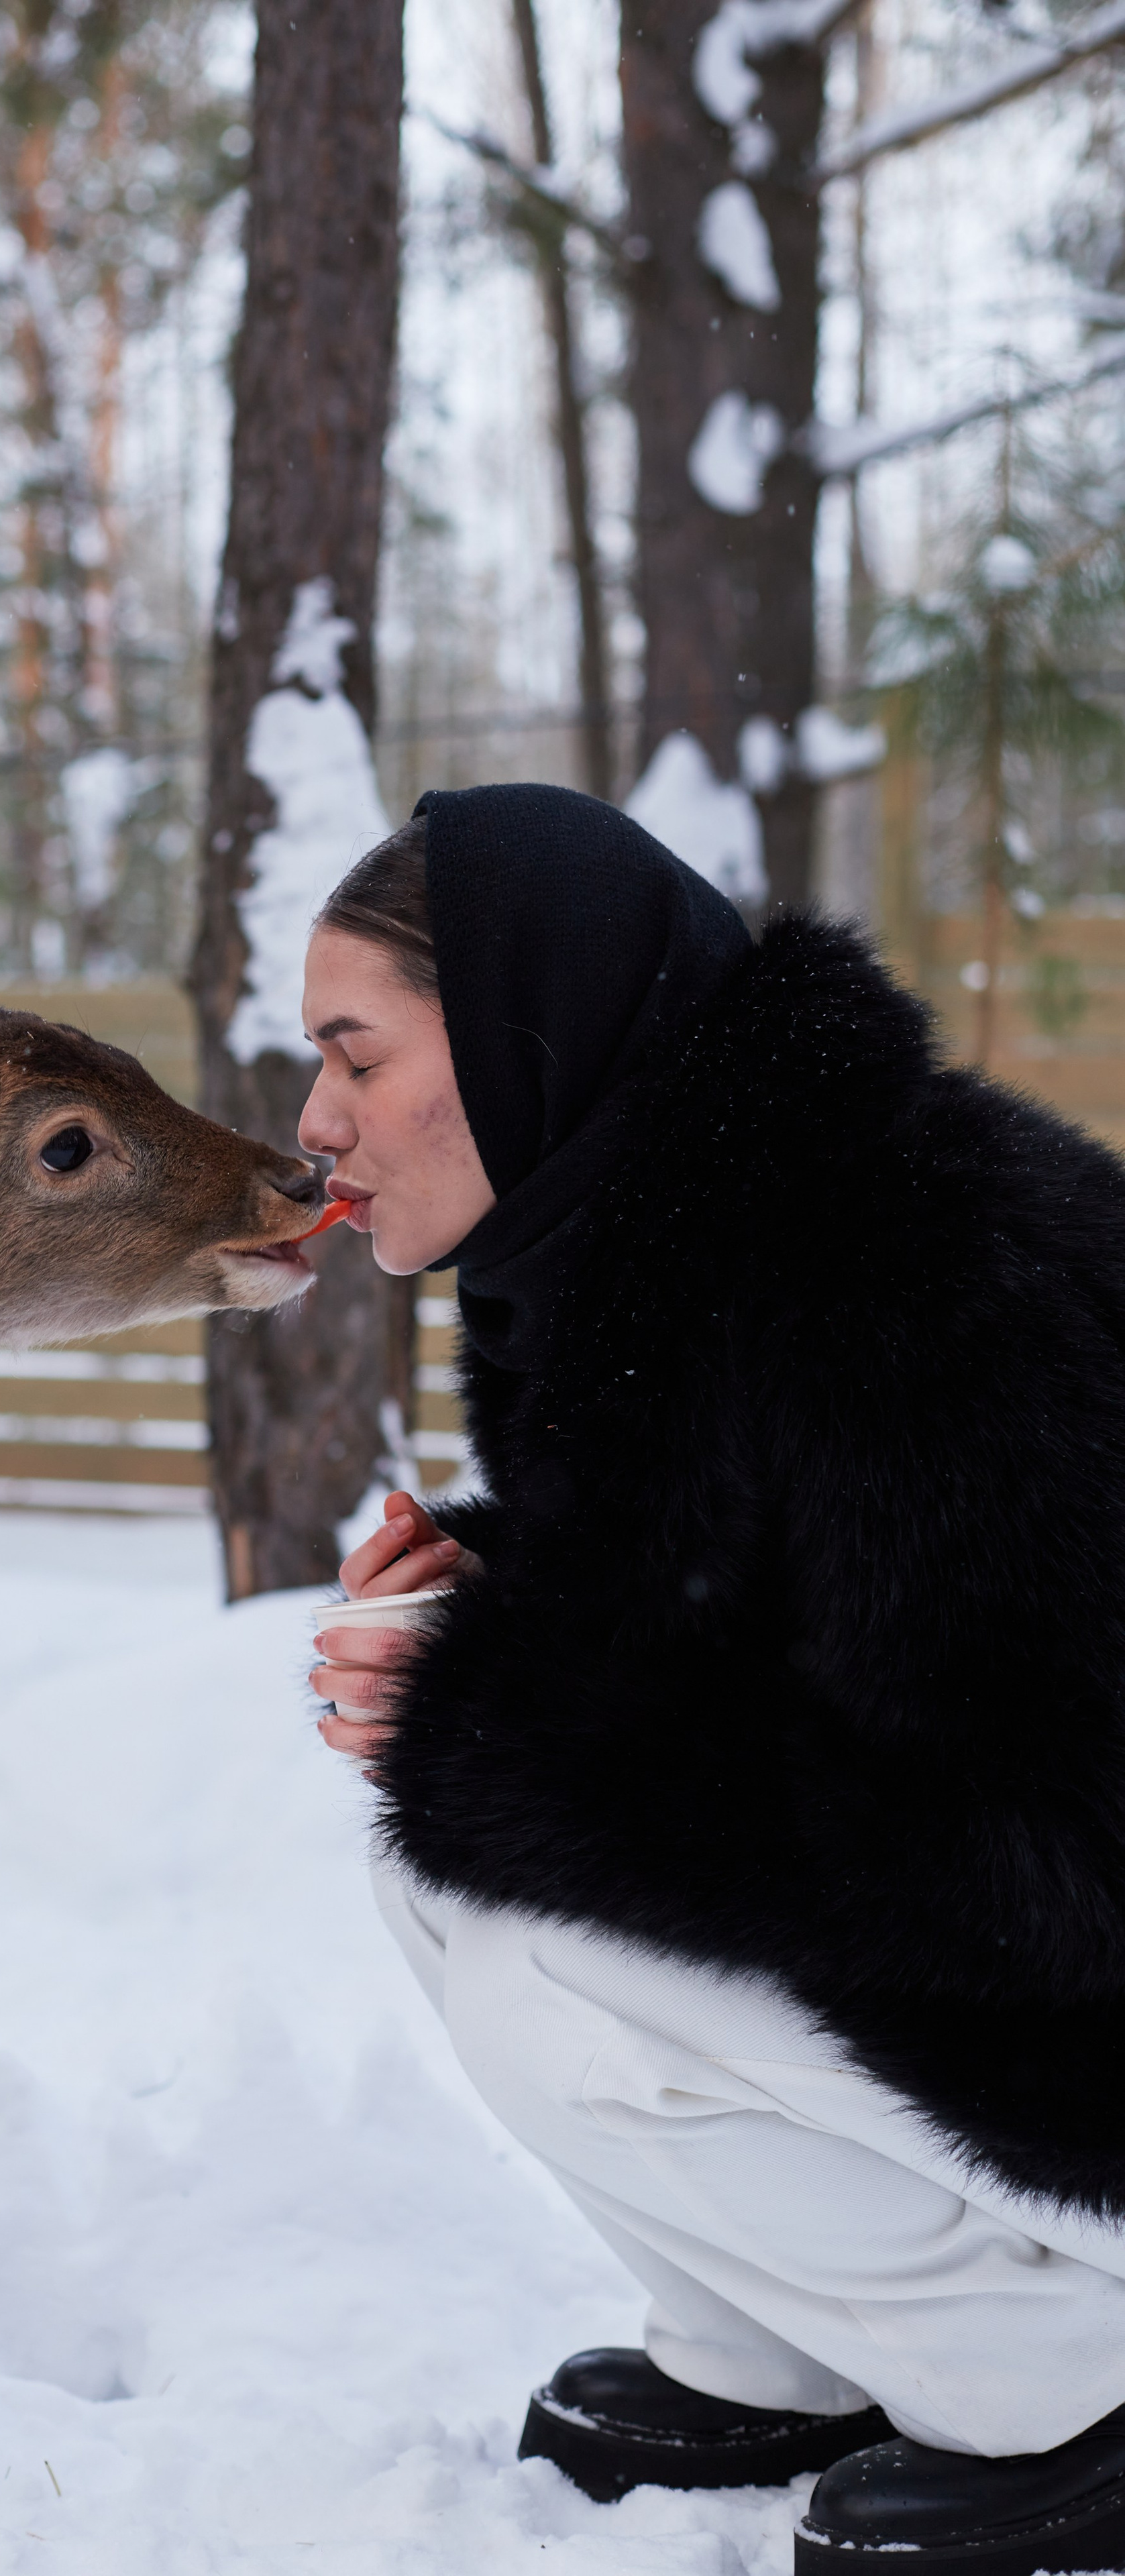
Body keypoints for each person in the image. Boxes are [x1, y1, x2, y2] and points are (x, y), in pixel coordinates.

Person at [299, 782, 1125, 2576]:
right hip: (1019, 1956)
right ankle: (812, 2349)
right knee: (440, 1880)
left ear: (528, 1028)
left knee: (559, 1973)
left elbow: (1040, 1854)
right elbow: (782, 1619)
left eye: (356, 1057)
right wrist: (505, 1619)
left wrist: (506, 1722)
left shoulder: (904, 1273)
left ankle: (1076, 2394)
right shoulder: (655, 1245)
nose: (316, 1124)